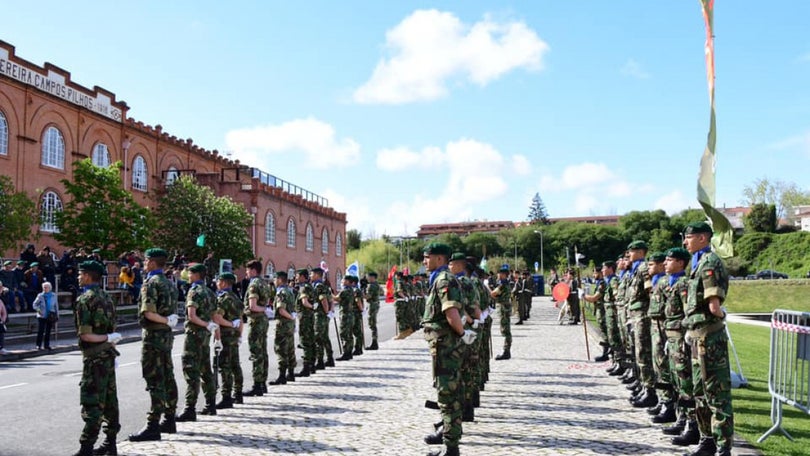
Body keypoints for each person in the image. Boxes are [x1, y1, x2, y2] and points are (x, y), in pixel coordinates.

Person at [682, 222, 733, 456]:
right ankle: (707, 441)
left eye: (689, 237)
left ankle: (723, 448)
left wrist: (722, 316)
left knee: (716, 394)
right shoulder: (698, 262)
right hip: (697, 338)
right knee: (700, 393)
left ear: (703, 238)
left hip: (709, 340)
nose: (685, 242)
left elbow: (714, 306)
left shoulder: (710, 263)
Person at [421, 243, 476, 456]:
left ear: (440, 259)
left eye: (428, 257)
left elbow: (451, 313)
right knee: (449, 393)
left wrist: (462, 334)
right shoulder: (441, 279)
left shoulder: (444, 280)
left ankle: (451, 448)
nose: (425, 261)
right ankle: (449, 442)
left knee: (448, 396)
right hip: (443, 346)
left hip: (446, 347)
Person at [129, 248, 180, 442]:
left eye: (146, 260)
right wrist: (168, 321)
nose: (143, 263)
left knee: (154, 379)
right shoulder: (169, 283)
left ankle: (153, 425)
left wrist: (164, 321)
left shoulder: (150, 284)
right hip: (166, 337)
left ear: (152, 262)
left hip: (153, 336)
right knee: (167, 375)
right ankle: (169, 417)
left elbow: (148, 313)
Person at [71, 260, 121, 456]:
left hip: (94, 358)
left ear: (87, 276)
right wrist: (109, 339)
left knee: (92, 401)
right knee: (110, 400)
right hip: (107, 356)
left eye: (80, 273)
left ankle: (86, 447)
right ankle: (111, 442)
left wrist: (105, 338)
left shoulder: (85, 300)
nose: (78, 276)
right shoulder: (107, 298)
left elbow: (85, 335)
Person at [661, 247, 700, 446]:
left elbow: (687, 311)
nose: (665, 263)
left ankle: (693, 424)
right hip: (672, 335)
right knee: (677, 379)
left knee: (686, 382)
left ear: (681, 263)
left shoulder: (683, 283)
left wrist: (685, 334)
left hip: (681, 336)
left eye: (670, 260)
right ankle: (682, 418)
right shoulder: (671, 282)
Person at [176, 264, 219, 422]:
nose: (188, 275)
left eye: (190, 272)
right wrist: (217, 336)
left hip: (194, 335)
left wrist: (205, 324)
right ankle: (211, 404)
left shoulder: (193, 291)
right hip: (206, 336)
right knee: (206, 369)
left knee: (191, 371)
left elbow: (191, 316)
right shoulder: (209, 292)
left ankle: (190, 408)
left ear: (196, 275)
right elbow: (215, 317)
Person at [241, 259, 275, 397]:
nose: (246, 273)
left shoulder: (254, 285)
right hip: (263, 320)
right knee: (262, 350)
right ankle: (262, 383)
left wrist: (263, 309)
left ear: (254, 270)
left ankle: (257, 384)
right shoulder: (264, 283)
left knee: (256, 352)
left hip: (255, 320)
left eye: (248, 270)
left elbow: (253, 306)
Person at [211, 272, 244, 410]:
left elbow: (217, 319)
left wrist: (217, 338)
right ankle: (238, 393)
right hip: (234, 336)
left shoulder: (223, 299)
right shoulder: (236, 298)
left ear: (224, 283)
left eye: (219, 281)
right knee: (235, 364)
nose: (217, 283)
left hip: (225, 335)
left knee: (224, 367)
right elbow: (241, 320)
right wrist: (239, 334)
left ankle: (226, 397)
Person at [270, 271, 297, 384]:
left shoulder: (281, 292)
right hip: (290, 324)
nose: (274, 281)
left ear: (280, 280)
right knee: (290, 348)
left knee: (281, 349)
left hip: (283, 323)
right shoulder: (289, 291)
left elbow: (281, 309)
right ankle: (291, 373)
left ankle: (282, 375)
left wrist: (289, 317)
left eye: (275, 279)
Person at [581, 265, 609, 361]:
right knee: (603, 332)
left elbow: (594, 298)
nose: (593, 275)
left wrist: (583, 296)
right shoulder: (599, 283)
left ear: (600, 273)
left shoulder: (602, 284)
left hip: (603, 311)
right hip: (599, 310)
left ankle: (607, 353)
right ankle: (606, 352)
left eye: (595, 273)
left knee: (606, 333)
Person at [311, 267, 335, 369]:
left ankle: (320, 361)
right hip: (324, 315)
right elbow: (331, 300)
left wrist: (326, 312)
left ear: (317, 275)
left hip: (320, 315)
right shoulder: (325, 286)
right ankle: (330, 358)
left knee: (318, 338)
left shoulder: (319, 286)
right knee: (325, 337)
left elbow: (324, 300)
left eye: (312, 274)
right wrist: (330, 312)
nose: (310, 276)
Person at [295, 268, 317, 376]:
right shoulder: (310, 287)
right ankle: (312, 364)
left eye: (297, 276)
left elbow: (304, 302)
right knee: (311, 340)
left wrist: (311, 307)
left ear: (303, 277)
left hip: (305, 316)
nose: (296, 278)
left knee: (305, 341)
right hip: (310, 316)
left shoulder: (303, 288)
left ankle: (306, 367)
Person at [490, 266, 513, 360]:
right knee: (506, 329)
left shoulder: (502, 284)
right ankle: (507, 350)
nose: (498, 275)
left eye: (499, 273)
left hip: (503, 308)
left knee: (505, 330)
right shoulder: (505, 283)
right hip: (505, 307)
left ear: (503, 275)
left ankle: (506, 351)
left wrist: (487, 287)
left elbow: (493, 294)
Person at [335, 275, 356, 361]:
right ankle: (349, 352)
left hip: (345, 315)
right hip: (350, 314)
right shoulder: (351, 290)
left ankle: (346, 353)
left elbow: (337, 299)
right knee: (349, 334)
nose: (342, 281)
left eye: (343, 280)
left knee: (344, 334)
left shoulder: (345, 290)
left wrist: (330, 294)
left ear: (347, 281)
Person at [33, 281, 58, 350]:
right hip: (42, 315)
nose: (45, 289)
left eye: (46, 287)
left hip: (50, 316)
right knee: (41, 331)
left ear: (50, 288)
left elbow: (56, 306)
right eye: (44, 287)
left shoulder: (54, 295)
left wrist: (57, 315)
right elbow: (34, 304)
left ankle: (47, 345)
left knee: (48, 331)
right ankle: (38, 345)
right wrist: (38, 310)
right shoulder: (40, 295)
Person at [364, 271, 382, 350]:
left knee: (372, 323)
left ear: (372, 277)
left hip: (372, 305)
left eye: (368, 277)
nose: (367, 278)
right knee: (373, 323)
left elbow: (368, 296)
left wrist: (361, 295)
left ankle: (374, 343)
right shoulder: (377, 284)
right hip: (375, 304)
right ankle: (374, 342)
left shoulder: (371, 286)